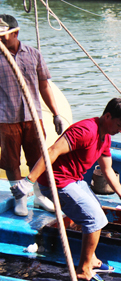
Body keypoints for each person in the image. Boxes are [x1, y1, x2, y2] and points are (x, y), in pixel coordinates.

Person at [11, 97, 121, 281]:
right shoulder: (85, 131)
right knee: (94, 219)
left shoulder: (106, 137)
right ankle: (84, 270)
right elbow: (51, 151)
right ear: (107, 116)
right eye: (119, 125)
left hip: (74, 180)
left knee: (98, 213)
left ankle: (91, 259)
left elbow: (108, 169)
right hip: (56, 182)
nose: (120, 131)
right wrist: (29, 181)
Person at [0, 14, 64, 216]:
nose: (0, 39)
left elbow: (44, 85)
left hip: (32, 116)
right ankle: (19, 196)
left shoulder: (33, 54)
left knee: (38, 157)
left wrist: (56, 114)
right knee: (11, 160)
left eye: (4, 36)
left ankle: (38, 195)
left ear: (15, 33)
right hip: (6, 118)